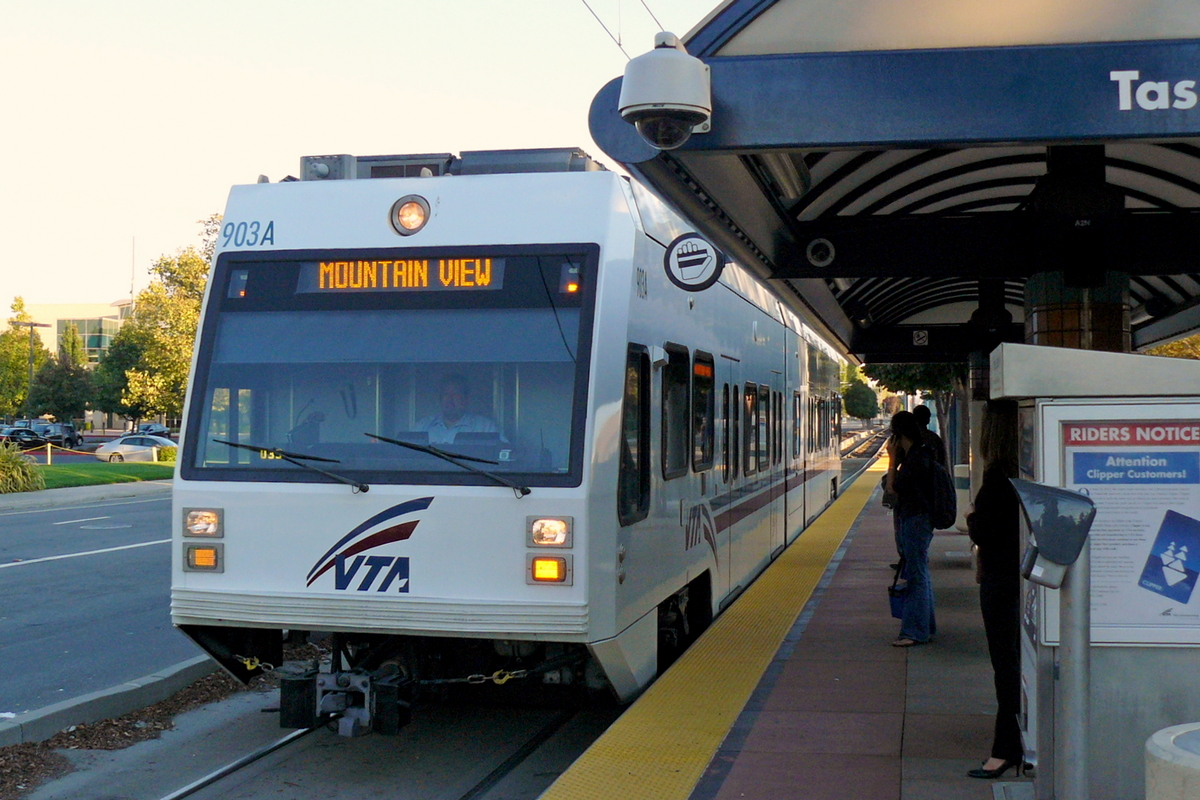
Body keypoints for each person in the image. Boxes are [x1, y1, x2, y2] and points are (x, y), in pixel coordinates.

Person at [966, 399, 1024, 779]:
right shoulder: (1024, 473)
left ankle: (1005, 749)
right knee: (1014, 666)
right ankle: (1013, 743)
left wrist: (973, 519)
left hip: (1002, 585)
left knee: (1005, 667)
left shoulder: (998, 479)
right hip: (1017, 579)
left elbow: (987, 531)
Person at [886, 410, 938, 647]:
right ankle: (925, 626)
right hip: (921, 519)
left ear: (898, 436)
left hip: (915, 520)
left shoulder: (914, 459)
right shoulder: (923, 453)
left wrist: (891, 459)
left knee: (916, 575)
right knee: (921, 574)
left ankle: (915, 631)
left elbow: (893, 489)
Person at [416, 374, 498, 444]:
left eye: (456, 394)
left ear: (466, 399)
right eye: (446, 394)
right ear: (440, 398)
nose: (450, 399)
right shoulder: (423, 426)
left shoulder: (485, 427)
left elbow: (504, 454)